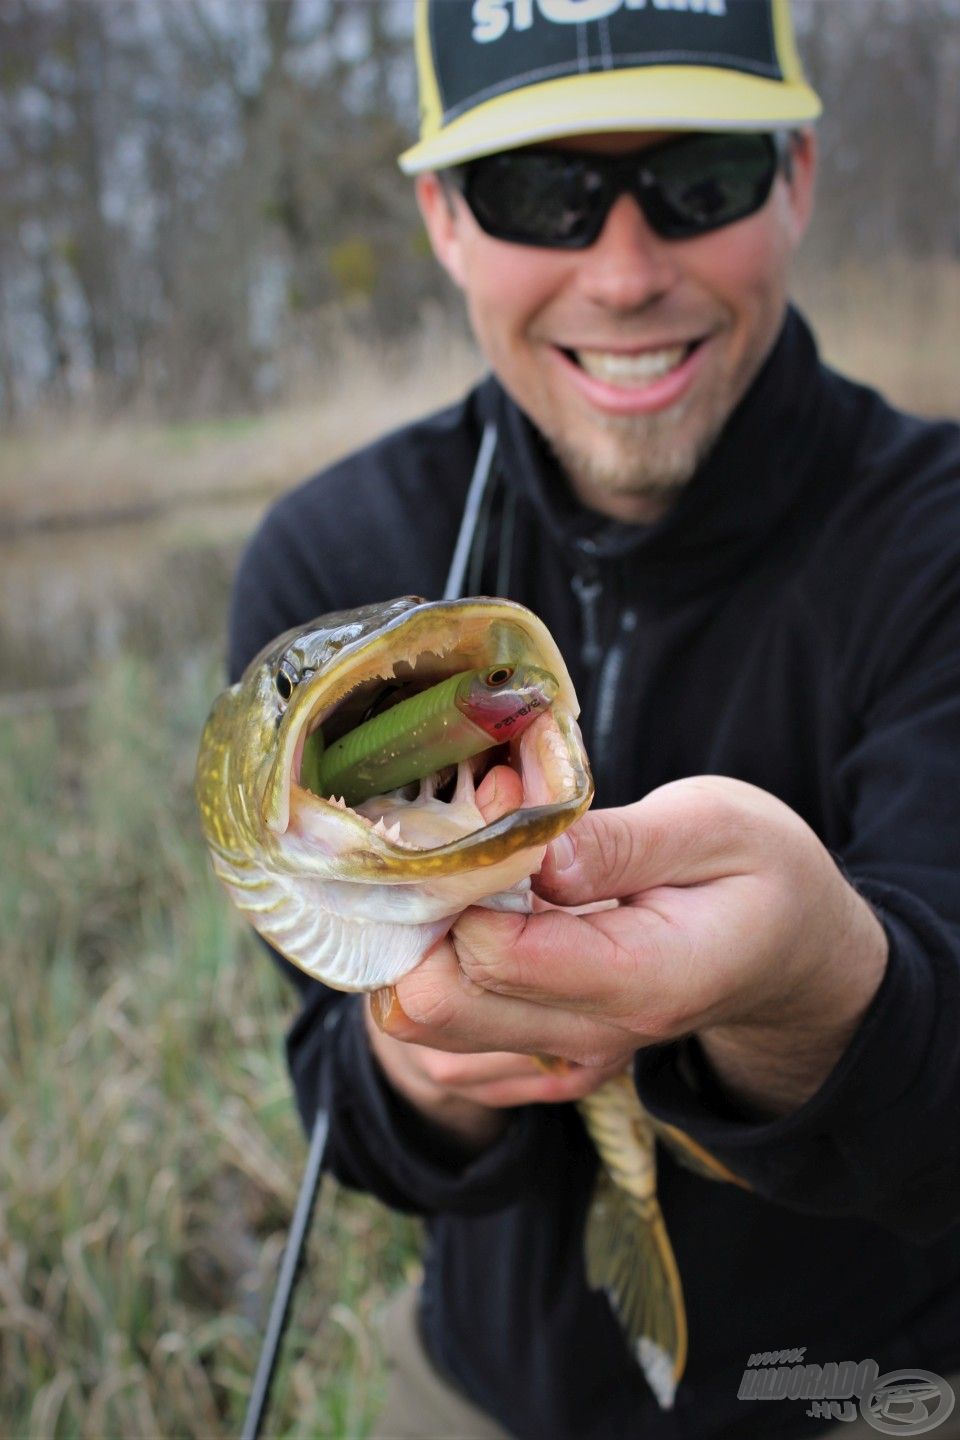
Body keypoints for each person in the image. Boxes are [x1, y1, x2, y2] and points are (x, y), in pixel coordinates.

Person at [227, 2, 960, 1436]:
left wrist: (812, 994)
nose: (623, 274)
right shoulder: (324, 555)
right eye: (539, 192)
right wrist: (421, 1065)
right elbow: (342, 1101)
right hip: (476, 1384)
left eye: (699, 179)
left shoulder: (939, 542)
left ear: (796, 177)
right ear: (443, 217)